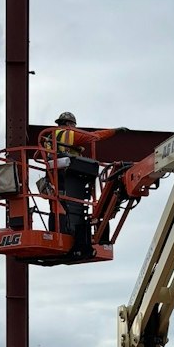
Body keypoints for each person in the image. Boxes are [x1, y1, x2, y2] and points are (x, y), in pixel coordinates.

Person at [45, 111, 97, 260]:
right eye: (74, 125)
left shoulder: (50, 135)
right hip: (65, 172)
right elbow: (91, 137)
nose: (74, 127)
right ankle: (68, 232)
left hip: (55, 173)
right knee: (67, 204)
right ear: (69, 124)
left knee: (57, 204)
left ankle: (60, 232)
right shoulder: (67, 133)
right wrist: (112, 132)